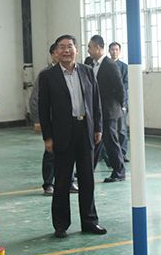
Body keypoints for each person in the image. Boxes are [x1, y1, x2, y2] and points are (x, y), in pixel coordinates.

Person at [38, 34, 106, 238]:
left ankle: (90, 221)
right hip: (62, 133)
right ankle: (61, 224)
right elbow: (43, 109)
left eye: (69, 46)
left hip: (85, 129)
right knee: (62, 180)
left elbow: (96, 101)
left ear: (77, 50)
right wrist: (47, 137)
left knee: (87, 179)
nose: (66, 50)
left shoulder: (87, 71)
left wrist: (98, 127)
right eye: (62, 47)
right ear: (56, 52)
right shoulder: (48, 76)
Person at [29, 44, 78, 196]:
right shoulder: (46, 74)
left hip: (69, 121)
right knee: (51, 152)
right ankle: (48, 183)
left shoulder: (73, 72)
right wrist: (37, 120)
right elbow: (35, 98)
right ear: (53, 55)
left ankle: (70, 181)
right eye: (58, 51)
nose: (63, 53)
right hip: (52, 121)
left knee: (70, 151)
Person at [88, 35, 126, 182]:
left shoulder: (110, 65)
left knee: (111, 142)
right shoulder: (90, 63)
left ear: (98, 48)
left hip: (109, 111)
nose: (88, 50)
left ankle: (119, 172)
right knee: (96, 140)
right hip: (96, 110)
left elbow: (119, 88)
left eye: (90, 47)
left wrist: (119, 106)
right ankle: (88, 169)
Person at [109, 41, 129, 163]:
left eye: (116, 49)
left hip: (121, 101)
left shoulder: (124, 67)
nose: (114, 52)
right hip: (108, 102)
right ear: (109, 51)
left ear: (120, 51)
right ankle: (107, 154)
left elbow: (126, 84)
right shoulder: (106, 65)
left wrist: (118, 93)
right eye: (112, 49)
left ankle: (123, 153)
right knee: (108, 129)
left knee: (121, 129)